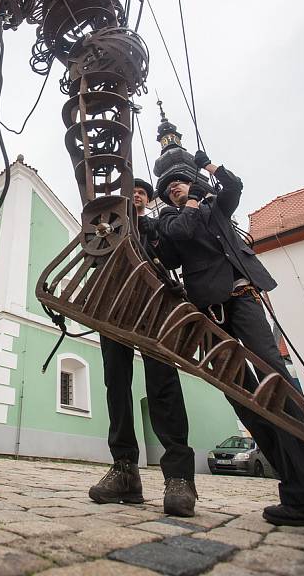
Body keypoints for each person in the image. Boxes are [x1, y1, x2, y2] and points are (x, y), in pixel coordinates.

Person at [158, 152, 304, 527]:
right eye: (169, 187)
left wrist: (209, 169)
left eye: (180, 181)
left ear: (192, 182)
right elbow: (180, 235)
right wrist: (193, 200)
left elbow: (235, 186)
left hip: (243, 298)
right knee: (240, 394)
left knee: (275, 377)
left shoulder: (215, 206)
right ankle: (296, 491)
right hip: (211, 310)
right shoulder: (169, 219)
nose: (174, 187)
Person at [89, 178, 198, 517]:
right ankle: (124, 470)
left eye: (142, 193)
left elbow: (176, 256)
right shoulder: (106, 226)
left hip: (154, 308)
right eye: (131, 191)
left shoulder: (156, 226)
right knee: (116, 385)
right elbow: (93, 259)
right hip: (114, 308)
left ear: (148, 201)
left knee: (163, 384)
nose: (136, 194)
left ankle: (179, 477)